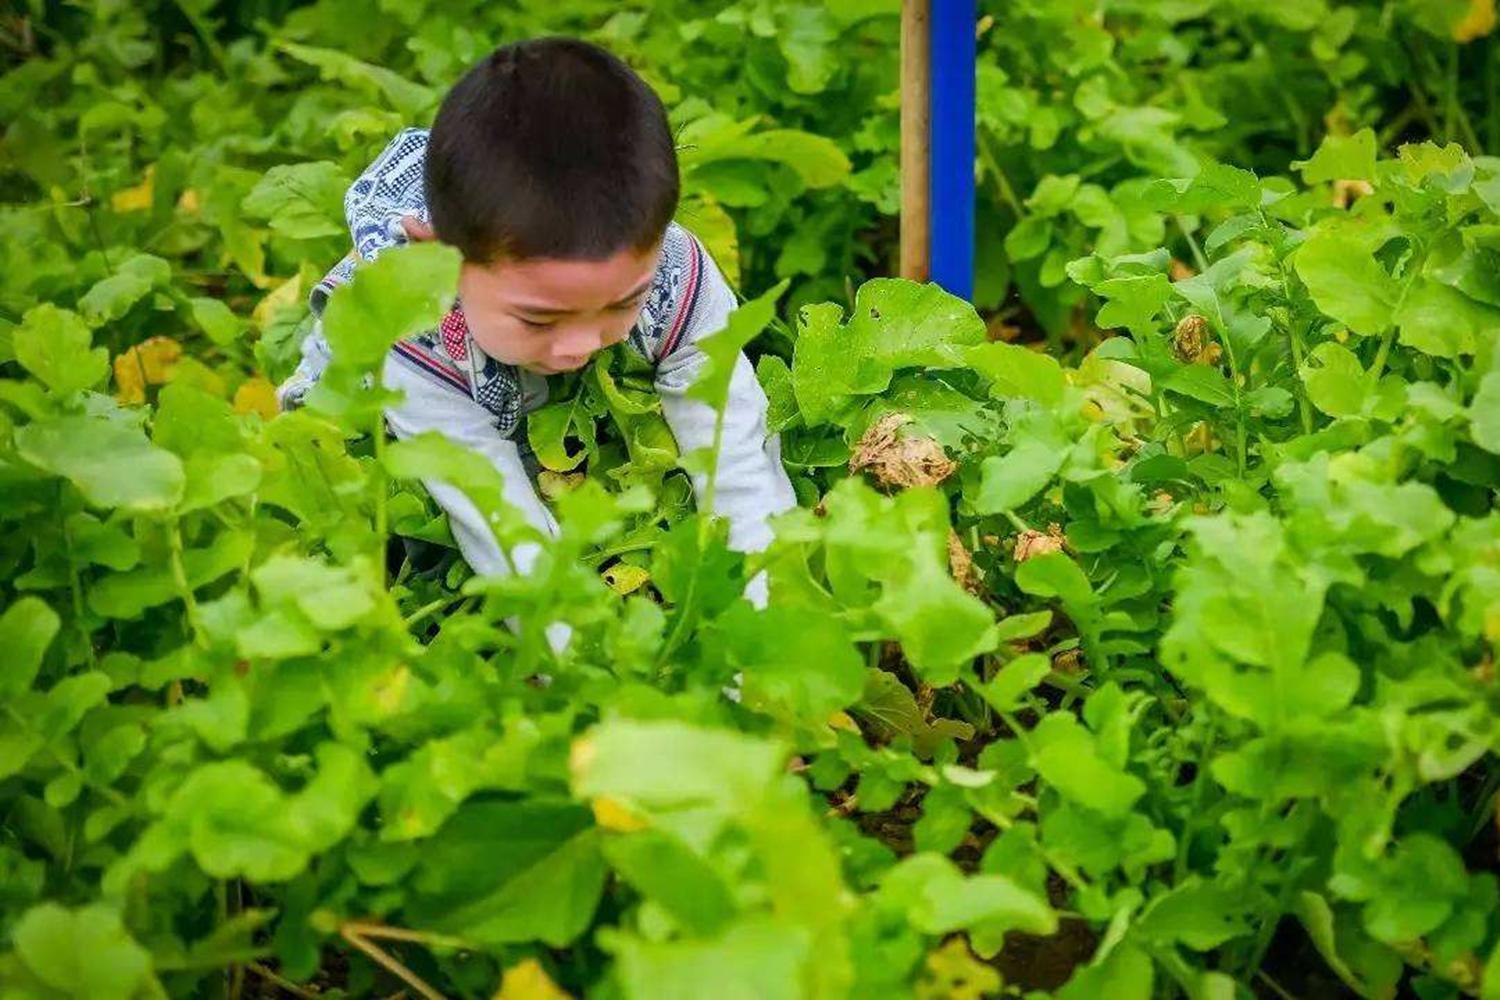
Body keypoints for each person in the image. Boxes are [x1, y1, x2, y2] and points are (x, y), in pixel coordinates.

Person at [277, 37, 796, 620]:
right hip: (394, 429)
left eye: (622, 302)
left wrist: (761, 614)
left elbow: (738, 463)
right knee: (381, 541)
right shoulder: (404, 322)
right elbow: (498, 526)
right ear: (437, 257)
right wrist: (570, 661)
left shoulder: (673, 273)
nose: (578, 344)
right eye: (539, 317)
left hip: (532, 400)